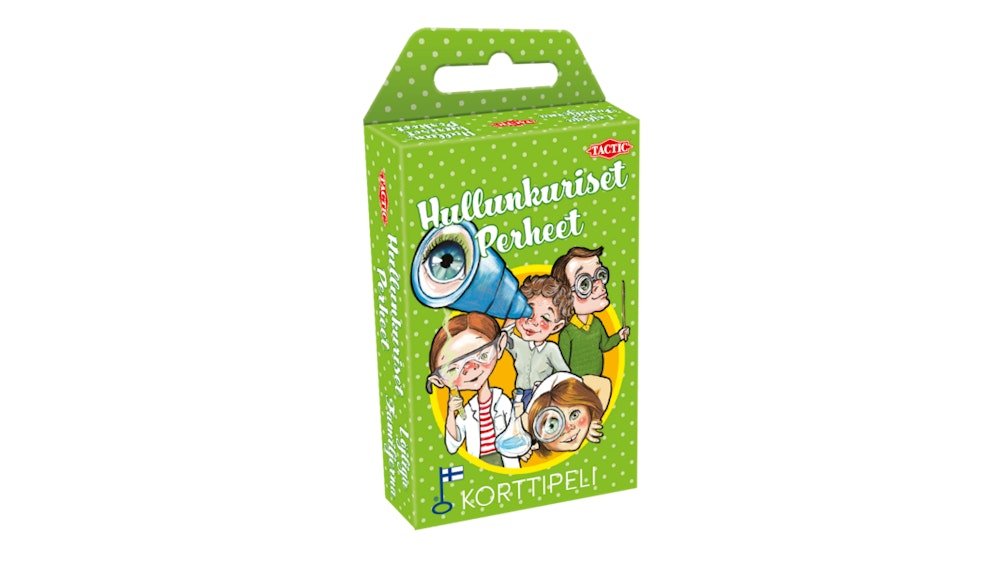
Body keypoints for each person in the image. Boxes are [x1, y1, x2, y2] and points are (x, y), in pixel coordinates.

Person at [425, 312, 519, 468]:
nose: (471, 369)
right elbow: (452, 445)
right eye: (452, 369)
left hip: (506, 461)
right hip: (479, 465)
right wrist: (451, 412)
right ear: (438, 380)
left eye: (483, 355)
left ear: (500, 346)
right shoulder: (467, 412)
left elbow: (516, 432)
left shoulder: (503, 402)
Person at [551, 246, 630, 375]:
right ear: (565, 296)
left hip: (596, 381)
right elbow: (561, 365)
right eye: (584, 284)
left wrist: (619, 336)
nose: (599, 285)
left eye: (601, 275)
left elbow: (604, 345)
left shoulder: (596, 323)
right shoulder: (568, 333)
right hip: (574, 384)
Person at [501, 275, 574, 405]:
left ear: (557, 326)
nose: (533, 322)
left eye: (545, 318)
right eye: (528, 312)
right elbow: (504, 336)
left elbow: (565, 376)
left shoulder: (551, 349)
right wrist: (514, 312)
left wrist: (548, 388)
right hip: (519, 397)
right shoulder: (519, 345)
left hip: (541, 397)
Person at [521, 372, 611, 457]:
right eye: (552, 425)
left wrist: (594, 418)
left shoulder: (576, 385)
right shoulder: (526, 422)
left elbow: (603, 383)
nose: (568, 429)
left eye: (574, 415)